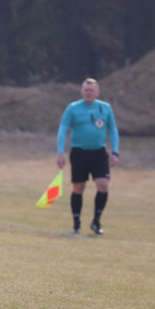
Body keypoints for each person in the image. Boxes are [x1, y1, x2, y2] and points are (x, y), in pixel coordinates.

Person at [56, 77, 120, 235]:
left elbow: (113, 130)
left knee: (103, 185)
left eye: (91, 90)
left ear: (97, 92)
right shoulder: (73, 108)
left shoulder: (105, 108)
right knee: (78, 187)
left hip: (99, 153)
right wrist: (60, 152)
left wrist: (115, 152)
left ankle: (96, 221)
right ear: (81, 92)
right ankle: (76, 223)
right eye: (86, 90)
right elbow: (63, 130)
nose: (88, 93)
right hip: (79, 152)